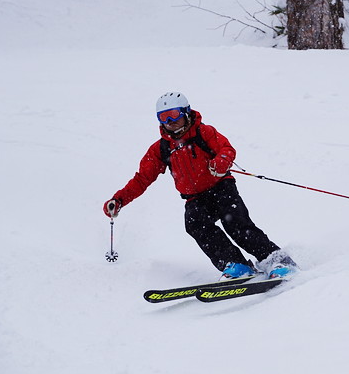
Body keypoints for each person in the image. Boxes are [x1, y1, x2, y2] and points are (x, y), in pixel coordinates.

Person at [103, 92, 296, 280]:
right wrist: (119, 199)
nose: (169, 121)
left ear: (186, 112)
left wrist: (221, 161)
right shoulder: (161, 148)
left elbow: (227, 149)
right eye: (163, 117)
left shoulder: (204, 132)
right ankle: (236, 265)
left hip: (221, 187)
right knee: (195, 225)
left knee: (236, 225)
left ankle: (277, 261)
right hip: (195, 198)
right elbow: (142, 178)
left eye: (174, 115)